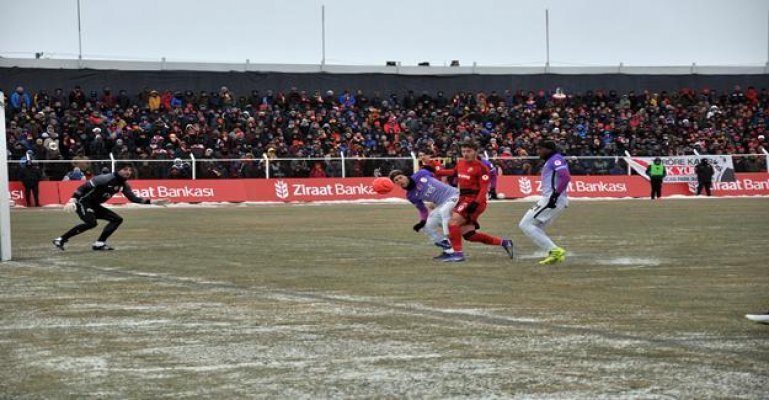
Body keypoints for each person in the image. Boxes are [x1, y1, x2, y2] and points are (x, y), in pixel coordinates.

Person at [52, 164, 170, 251]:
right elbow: (83, 188)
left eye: (130, 170)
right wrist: (73, 200)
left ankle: (99, 244)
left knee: (117, 219)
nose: (128, 172)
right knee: (91, 223)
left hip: (95, 205)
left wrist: (153, 202)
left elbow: (134, 199)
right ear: (118, 170)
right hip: (83, 202)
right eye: (125, 169)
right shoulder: (105, 178)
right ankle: (60, 239)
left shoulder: (124, 185)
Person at [434, 139, 514, 262]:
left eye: (469, 151)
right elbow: (453, 172)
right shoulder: (461, 163)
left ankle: (458, 254)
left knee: (452, 223)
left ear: (476, 152)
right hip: (464, 199)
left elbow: (483, 189)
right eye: (463, 151)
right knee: (469, 235)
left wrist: (476, 204)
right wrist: (434, 171)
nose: (465, 154)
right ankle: (505, 242)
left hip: (474, 200)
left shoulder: (481, 168)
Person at [518, 140, 571, 265]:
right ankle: (553, 252)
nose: (538, 152)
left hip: (551, 198)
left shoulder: (555, 159)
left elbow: (565, 177)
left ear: (548, 149)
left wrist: (555, 195)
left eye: (540, 149)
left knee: (525, 224)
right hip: (555, 198)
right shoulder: (552, 160)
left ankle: (554, 250)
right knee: (536, 227)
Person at [389, 168, 458, 254]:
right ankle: (448, 249)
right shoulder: (410, 196)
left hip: (454, 195)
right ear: (395, 184)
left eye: (400, 177)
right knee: (426, 227)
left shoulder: (421, 173)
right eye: (396, 180)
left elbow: (436, 174)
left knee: (444, 212)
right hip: (442, 204)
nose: (400, 180)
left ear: (405, 176)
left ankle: (455, 249)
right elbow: (422, 210)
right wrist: (422, 222)